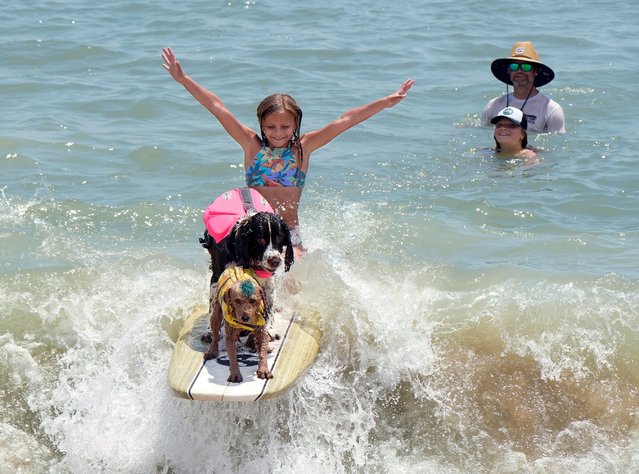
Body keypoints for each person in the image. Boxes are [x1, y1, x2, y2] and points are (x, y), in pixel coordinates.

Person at [162, 47, 414, 256]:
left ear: (295, 125)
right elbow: (217, 107)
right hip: (255, 230)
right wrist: (184, 80)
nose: (278, 132)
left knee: (295, 267)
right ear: (261, 125)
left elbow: (346, 120)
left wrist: (387, 101)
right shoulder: (252, 145)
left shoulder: (303, 148)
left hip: (288, 230)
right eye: (271, 126)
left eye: (285, 126)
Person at [481, 41, 565, 134]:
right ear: (509, 70)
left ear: (535, 71)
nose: (519, 71)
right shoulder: (493, 105)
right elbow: (482, 132)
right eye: (514, 66)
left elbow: (557, 144)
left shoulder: (551, 110)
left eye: (526, 66)